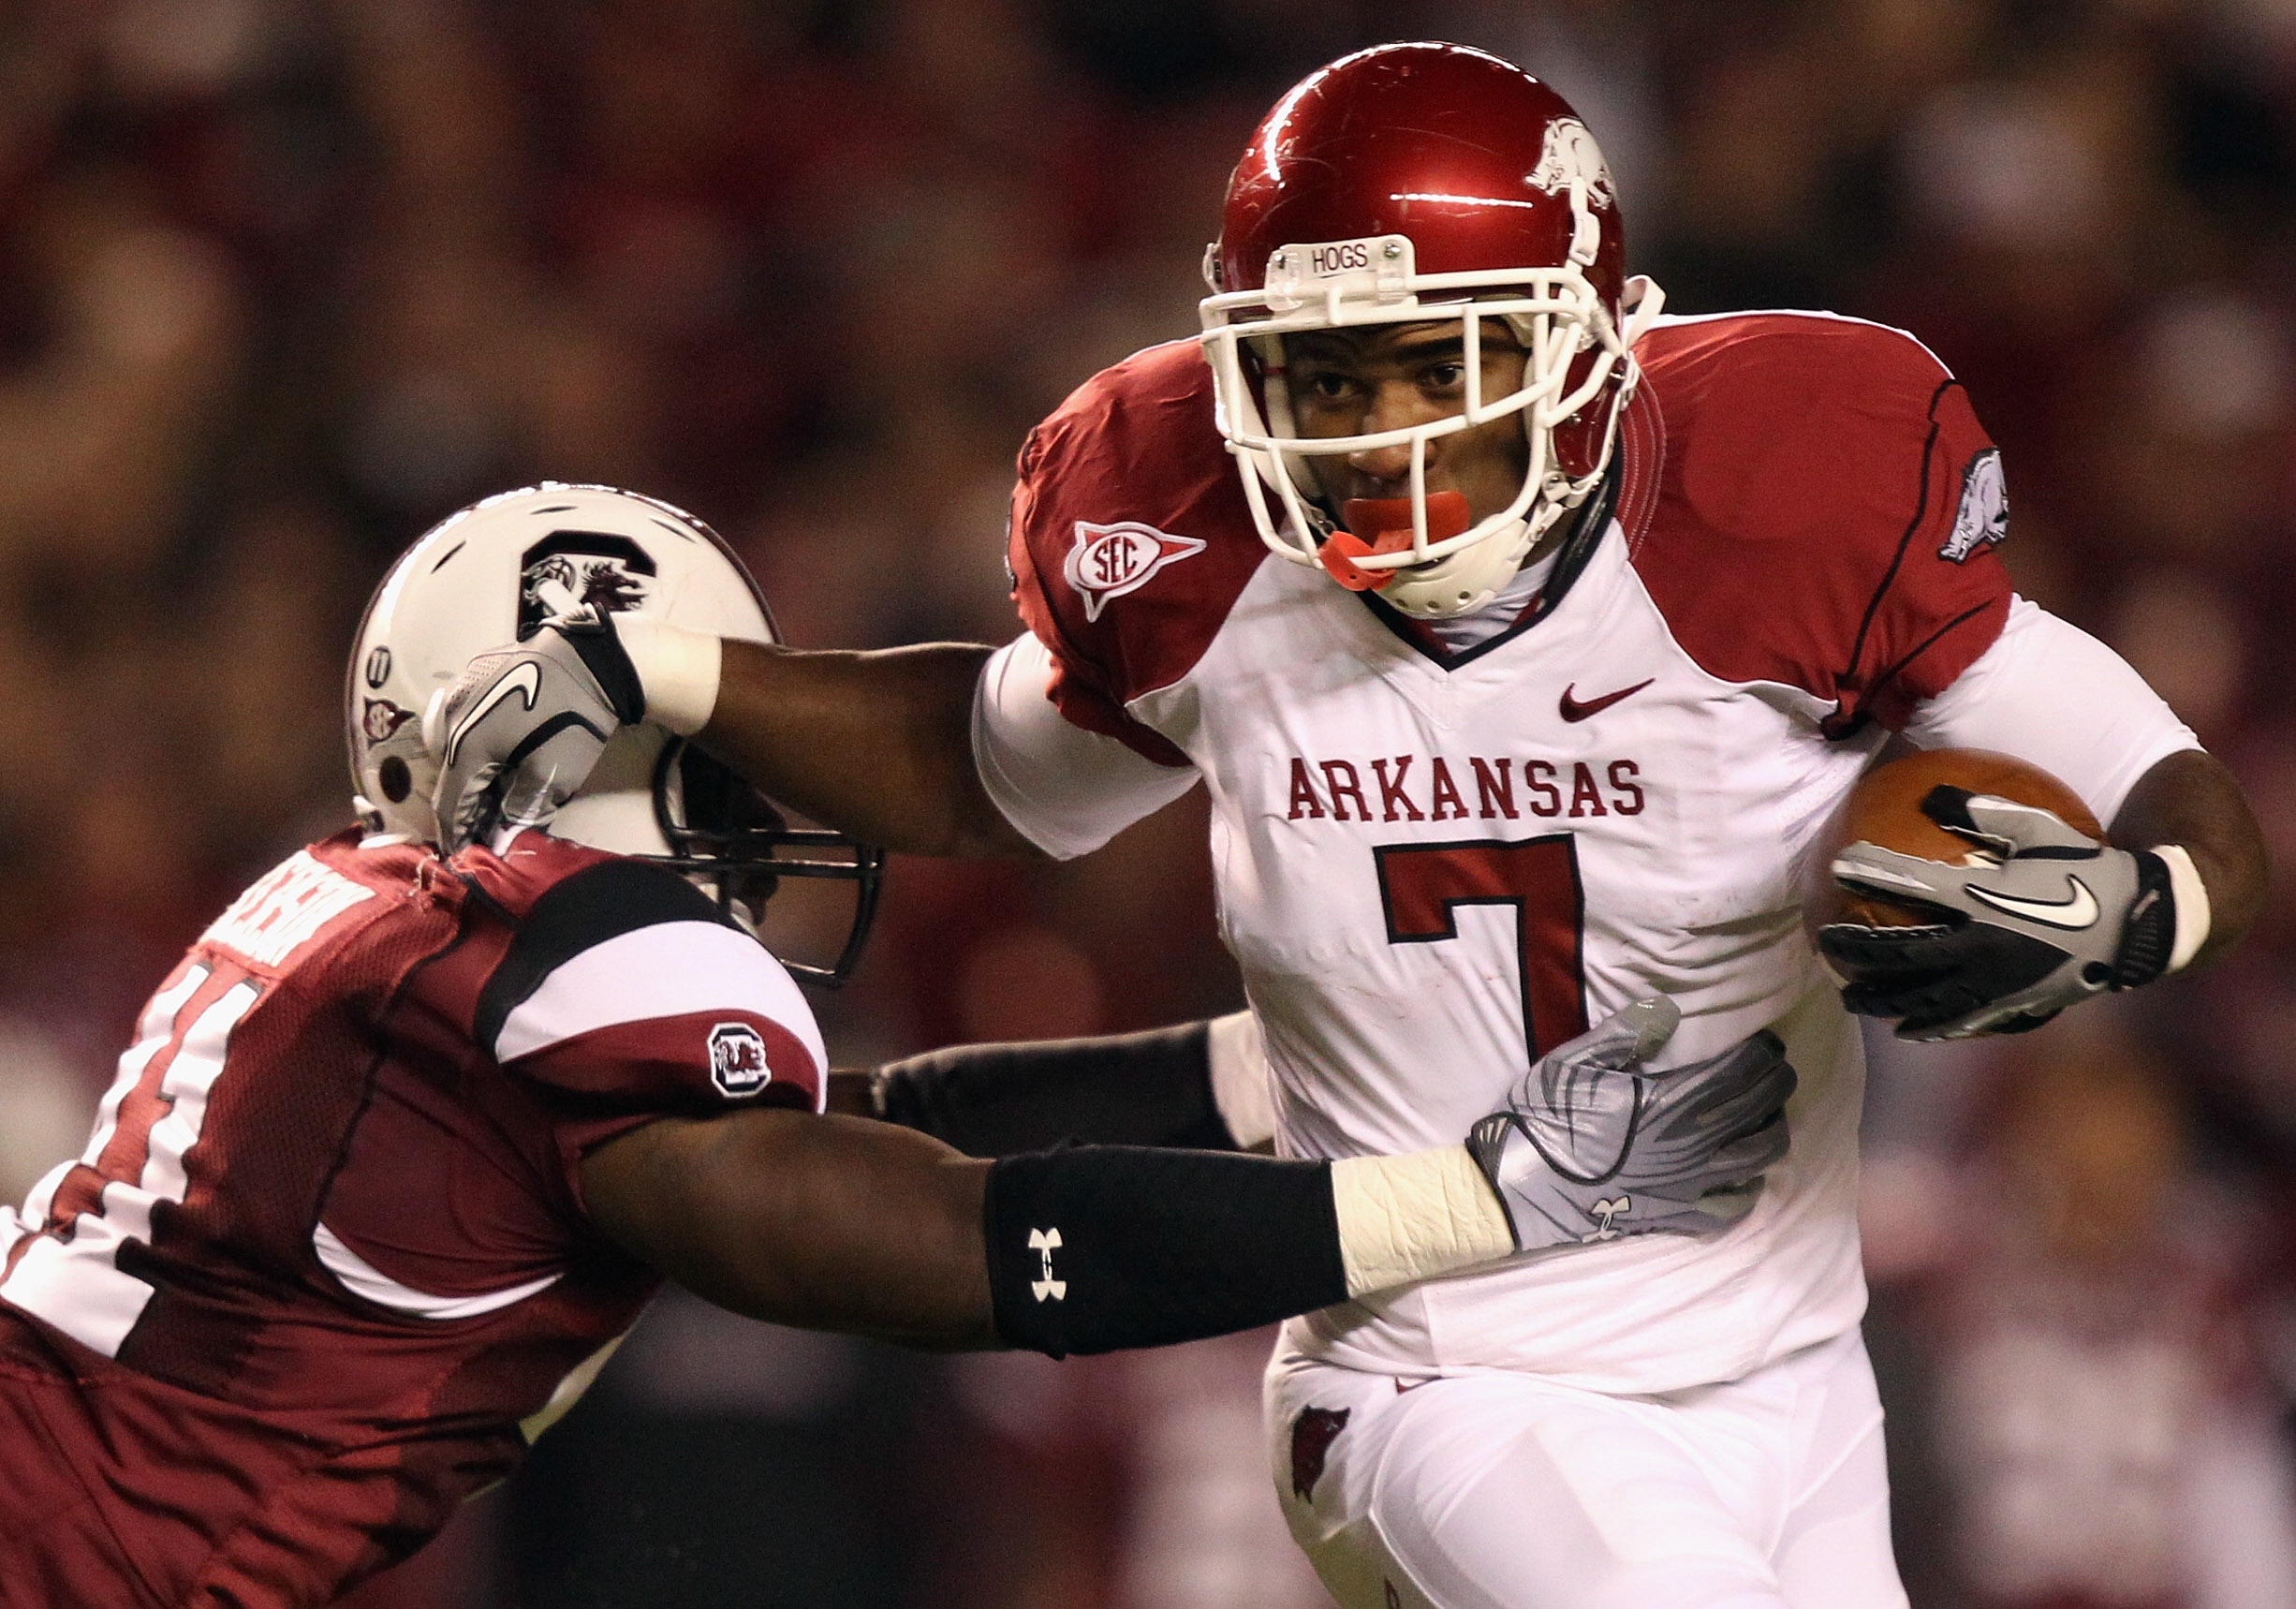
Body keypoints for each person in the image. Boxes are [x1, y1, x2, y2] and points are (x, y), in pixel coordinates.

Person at [434, 44, 2268, 1609]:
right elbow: (987, 768)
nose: (1379, 437)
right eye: (1328, 378)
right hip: (1440, 1373)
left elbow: (2158, 783)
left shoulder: (1775, 493)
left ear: (1589, 350)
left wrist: (2127, 910)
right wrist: (677, 670)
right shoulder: (1200, 557)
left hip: (1787, 1356)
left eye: (1430, 362)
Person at [0, 482, 1791, 1607]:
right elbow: (947, 1243)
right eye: (717, 743)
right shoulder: (565, 950)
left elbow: (868, 1129)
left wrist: (1262, 1070)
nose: (774, 796)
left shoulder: (382, 916)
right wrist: (1473, 1205)